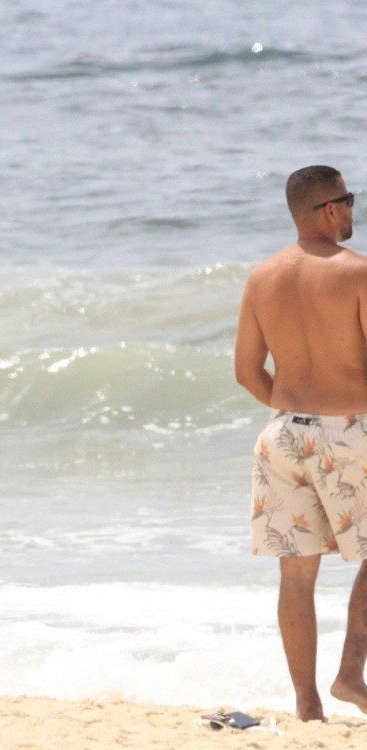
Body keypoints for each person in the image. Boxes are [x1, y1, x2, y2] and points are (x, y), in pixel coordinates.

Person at [236, 164, 367, 721]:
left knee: (296, 575)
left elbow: (246, 371)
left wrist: (297, 414)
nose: (353, 210)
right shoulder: (357, 273)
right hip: (350, 431)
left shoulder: (262, 277)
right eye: (350, 199)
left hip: (281, 434)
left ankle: (307, 706)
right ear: (330, 210)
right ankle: (349, 676)